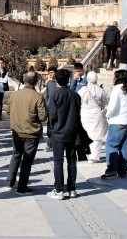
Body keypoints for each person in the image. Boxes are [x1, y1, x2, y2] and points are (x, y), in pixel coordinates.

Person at [6, 71, 47, 195]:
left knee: (16, 155)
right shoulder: (38, 96)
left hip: (17, 130)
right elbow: (43, 116)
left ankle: (10, 181)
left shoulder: (15, 95)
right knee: (27, 160)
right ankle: (22, 186)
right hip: (31, 132)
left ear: (24, 81)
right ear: (36, 82)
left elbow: (8, 111)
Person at [46, 69, 82, 200]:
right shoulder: (75, 95)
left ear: (56, 80)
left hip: (58, 132)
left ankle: (59, 189)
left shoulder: (55, 94)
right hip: (72, 132)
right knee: (72, 161)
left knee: (58, 161)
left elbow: (52, 115)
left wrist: (50, 129)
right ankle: (72, 188)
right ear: (68, 80)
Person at [102, 70, 127, 179]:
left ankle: (112, 169)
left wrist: (107, 114)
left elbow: (112, 106)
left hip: (117, 121)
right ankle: (123, 170)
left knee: (112, 145)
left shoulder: (117, 89)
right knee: (125, 146)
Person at [78, 71, 109, 164]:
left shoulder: (82, 89)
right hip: (97, 115)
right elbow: (106, 101)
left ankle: (91, 154)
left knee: (90, 134)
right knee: (97, 136)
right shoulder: (99, 90)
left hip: (85, 115)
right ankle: (94, 156)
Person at [43, 67, 58, 152]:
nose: (50, 74)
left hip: (58, 108)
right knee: (50, 126)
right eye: (49, 73)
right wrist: (47, 104)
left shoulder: (59, 82)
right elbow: (47, 95)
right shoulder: (49, 83)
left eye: (51, 72)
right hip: (50, 108)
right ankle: (49, 144)